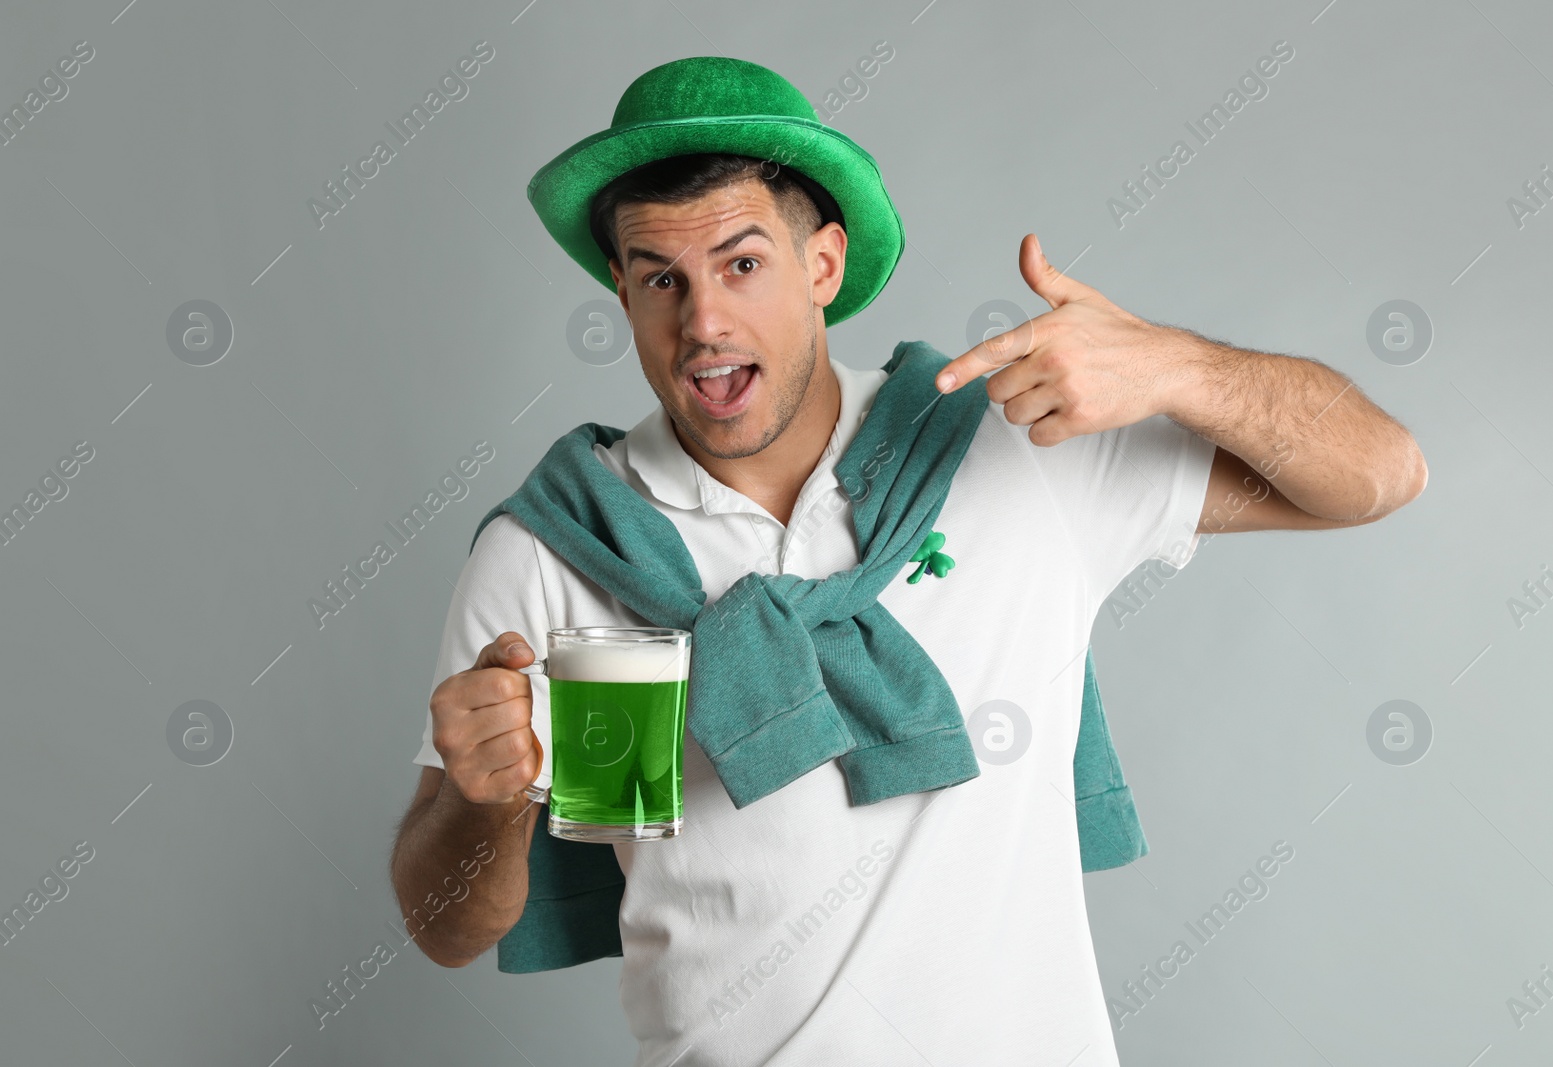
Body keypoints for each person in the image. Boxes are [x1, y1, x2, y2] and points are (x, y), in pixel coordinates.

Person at [388, 56, 1426, 1066]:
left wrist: (1182, 367)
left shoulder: (1012, 448)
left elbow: (1381, 472)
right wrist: (485, 804)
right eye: (661, 278)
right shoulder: (567, 550)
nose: (702, 322)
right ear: (621, 290)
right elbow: (447, 926)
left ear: (823, 265)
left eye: (743, 264)